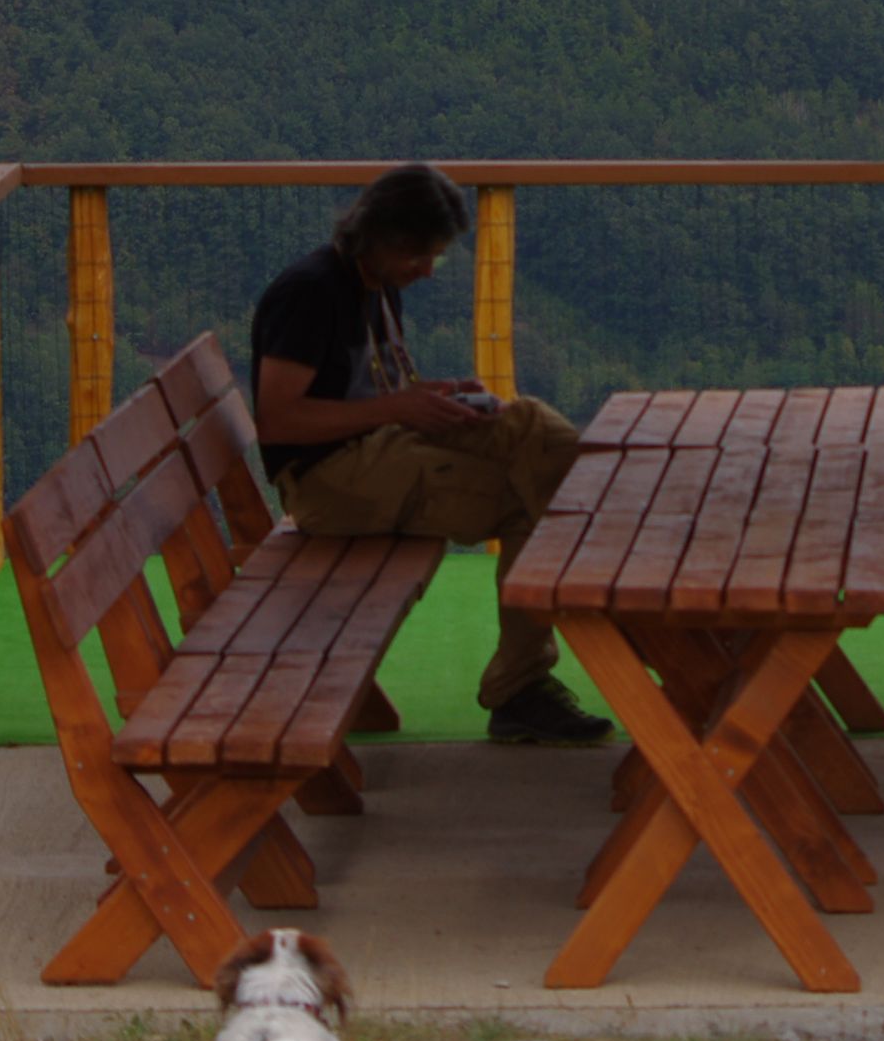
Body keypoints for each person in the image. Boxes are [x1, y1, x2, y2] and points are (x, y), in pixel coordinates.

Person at [250, 165, 614, 746]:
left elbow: (373, 392)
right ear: (375, 237)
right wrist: (398, 409)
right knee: (531, 506)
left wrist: (427, 396)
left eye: (434, 257)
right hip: (328, 481)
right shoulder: (311, 293)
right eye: (415, 255)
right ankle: (525, 687)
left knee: (530, 424)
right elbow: (277, 420)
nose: (424, 270)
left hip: (379, 447)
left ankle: (606, 535)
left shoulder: (375, 283)